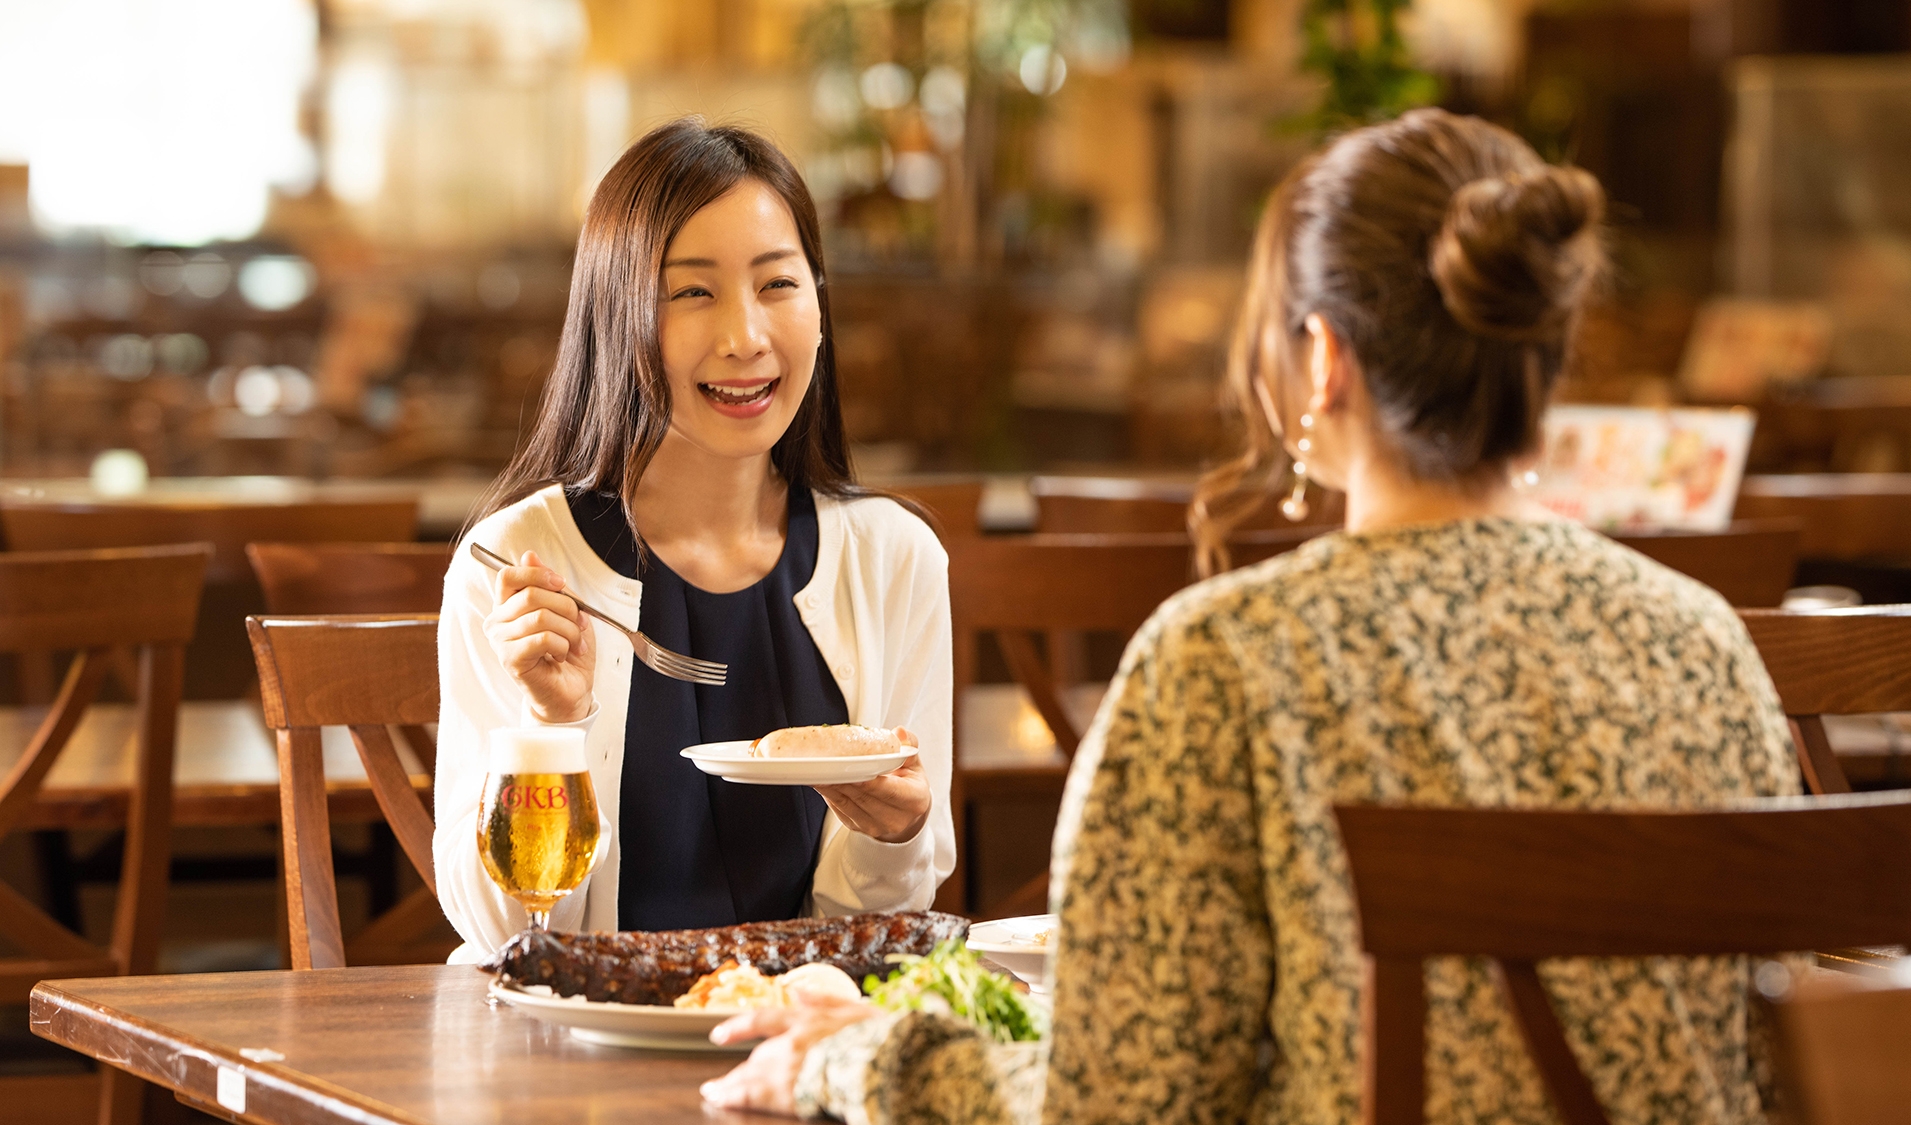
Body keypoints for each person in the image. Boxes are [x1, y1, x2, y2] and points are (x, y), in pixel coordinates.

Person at [700, 107, 1799, 1124]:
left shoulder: (1220, 664)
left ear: (1320, 360)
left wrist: (856, 1057)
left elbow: (1120, 1102)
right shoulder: (1706, 646)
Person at [432, 119, 954, 956]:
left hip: (800, 1045)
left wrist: (897, 835)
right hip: (577, 1060)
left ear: (820, 307)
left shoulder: (894, 559)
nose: (745, 337)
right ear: (618, 317)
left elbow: (880, 925)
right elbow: (502, 937)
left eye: (778, 284)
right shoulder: (523, 566)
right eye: (693, 292)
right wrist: (549, 723)